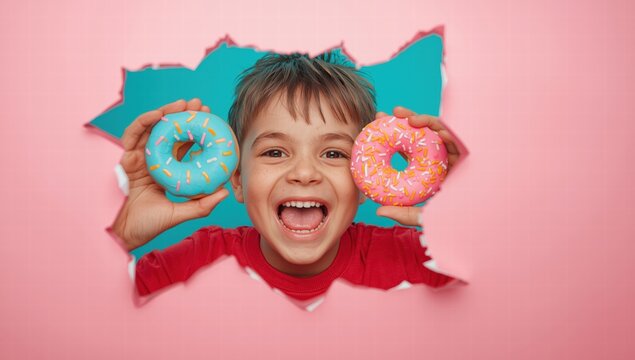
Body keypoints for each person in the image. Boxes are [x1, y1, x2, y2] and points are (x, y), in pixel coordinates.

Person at [110, 51, 463, 307]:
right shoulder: (196, 264)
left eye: (334, 153)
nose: (305, 174)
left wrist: (466, 217)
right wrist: (120, 233)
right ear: (236, 178)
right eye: (275, 152)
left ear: (365, 181)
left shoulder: (417, 260)